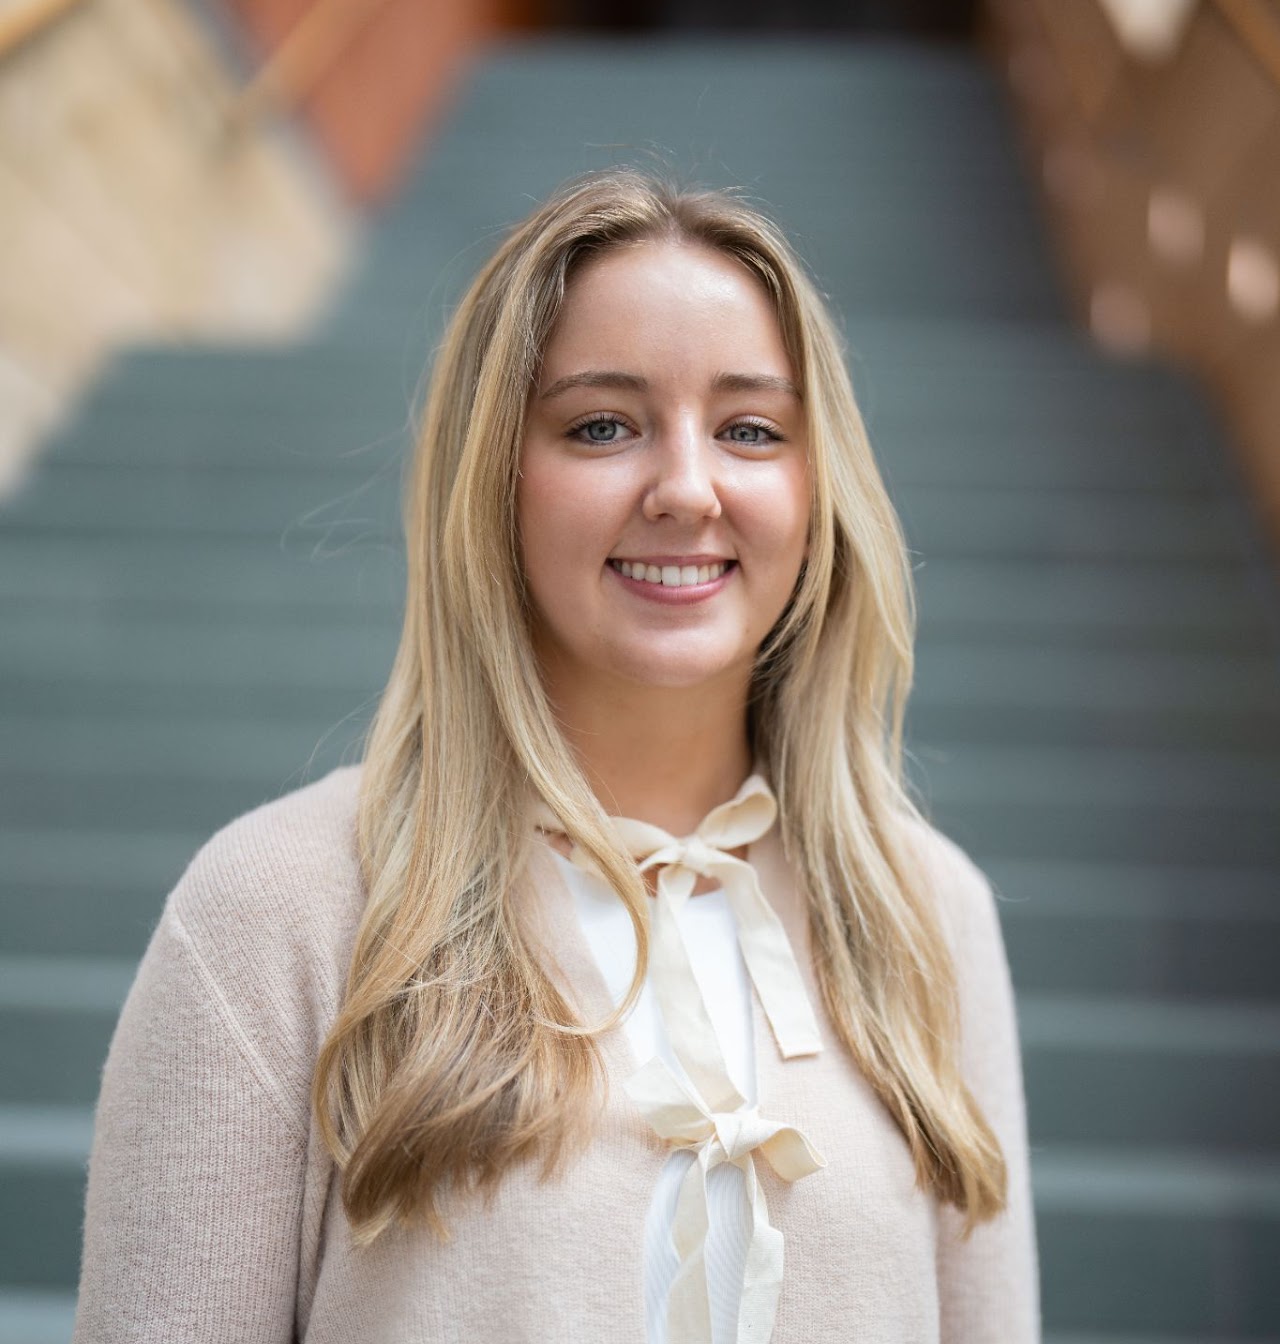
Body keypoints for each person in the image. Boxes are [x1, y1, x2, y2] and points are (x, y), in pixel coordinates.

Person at [73, 168, 1040, 1343]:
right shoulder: (279, 909)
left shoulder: (926, 913)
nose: (686, 489)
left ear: (815, 483)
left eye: (748, 429)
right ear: (496, 481)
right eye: (601, 425)